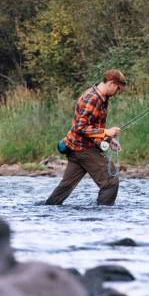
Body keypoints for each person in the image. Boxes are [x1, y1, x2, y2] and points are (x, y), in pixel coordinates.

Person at [45, 70, 126, 206]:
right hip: (83, 149)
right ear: (112, 84)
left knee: (64, 189)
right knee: (111, 182)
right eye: (118, 89)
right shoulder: (93, 98)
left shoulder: (102, 98)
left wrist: (108, 140)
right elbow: (80, 128)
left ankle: (47, 211)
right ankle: (103, 216)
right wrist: (106, 132)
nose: (117, 92)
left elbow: (93, 126)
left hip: (76, 148)